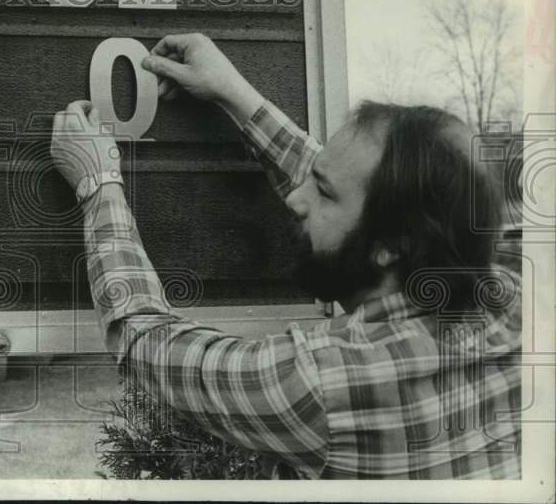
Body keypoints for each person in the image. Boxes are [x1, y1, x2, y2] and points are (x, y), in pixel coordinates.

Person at [49, 33, 521, 479]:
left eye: (322, 193)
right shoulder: (517, 295)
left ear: (391, 247)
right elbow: (363, 194)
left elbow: (148, 343)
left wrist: (99, 184)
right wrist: (234, 93)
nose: (297, 200)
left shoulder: (324, 385)